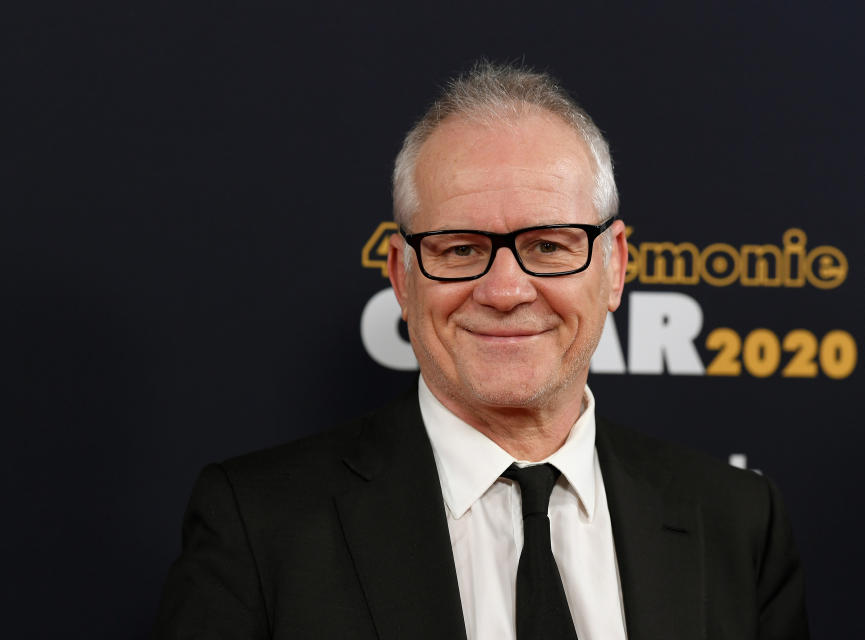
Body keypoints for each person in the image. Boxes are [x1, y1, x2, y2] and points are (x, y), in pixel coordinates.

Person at [153, 62, 810, 639]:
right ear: (401, 276)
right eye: (461, 249)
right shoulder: (259, 525)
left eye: (549, 245)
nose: (504, 290)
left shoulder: (737, 523)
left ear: (614, 266)